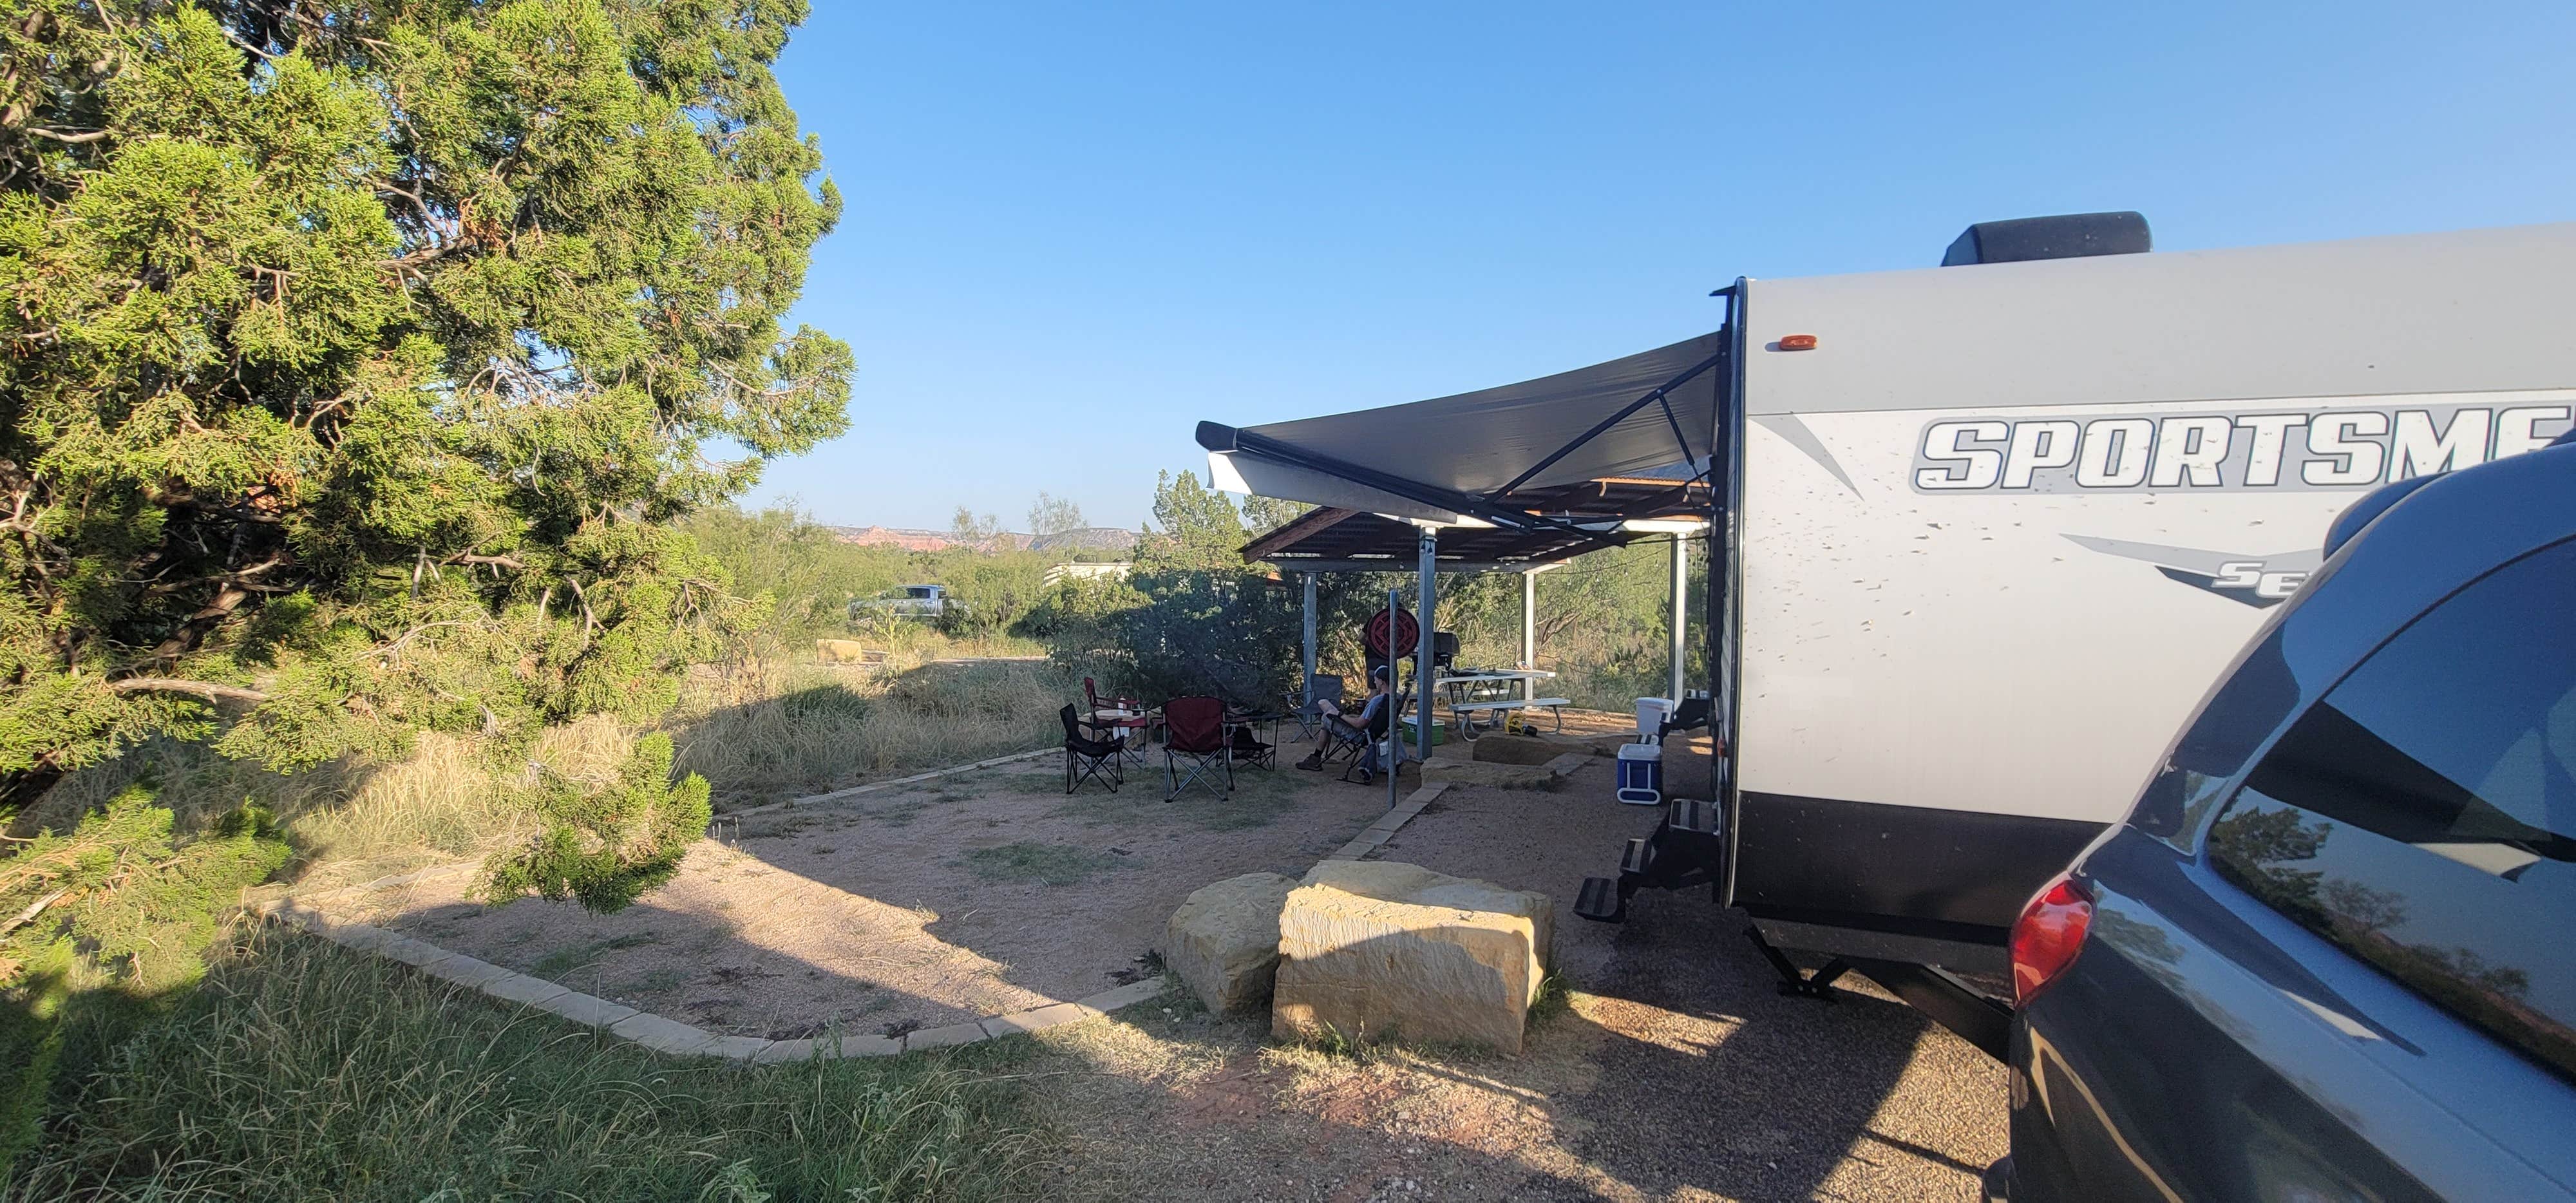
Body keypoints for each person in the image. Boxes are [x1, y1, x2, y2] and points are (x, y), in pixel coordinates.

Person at [1295, 665, 1391, 770]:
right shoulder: (1393, 698)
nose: (1374, 682)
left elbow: (1359, 724)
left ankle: (1316, 758)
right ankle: (1317, 757)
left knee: (1326, 717)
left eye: (1376, 679)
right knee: (1326, 707)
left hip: (1360, 735)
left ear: (1382, 682)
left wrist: (1340, 715)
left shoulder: (1376, 701)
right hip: (1370, 734)